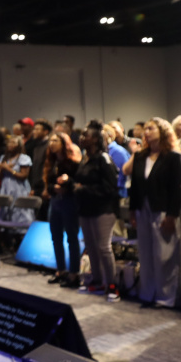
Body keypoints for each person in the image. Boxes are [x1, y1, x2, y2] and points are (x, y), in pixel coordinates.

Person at [126, 117, 181, 306]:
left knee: (164, 255)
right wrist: (132, 211)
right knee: (145, 253)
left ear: (163, 132)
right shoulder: (140, 156)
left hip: (164, 210)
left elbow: (176, 190)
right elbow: (135, 186)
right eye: (146, 129)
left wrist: (172, 216)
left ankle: (166, 297)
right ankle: (147, 293)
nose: (146, 132)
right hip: (142, 209)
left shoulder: (173, 157)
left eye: (151, 128)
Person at [72, 126, 120, 300]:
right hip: (86, 208)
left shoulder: (104, 158)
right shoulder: (85, 159)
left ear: (95, 139)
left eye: (86, 135)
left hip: (103, 209)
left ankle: (112, 286)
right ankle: (98, 281)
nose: (81, 137)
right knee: (91, 246)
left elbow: (110, 188)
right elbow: (79, 181)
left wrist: (83, 189)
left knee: (103, 248)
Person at [43, 130, 83, 286]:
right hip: (55, 202)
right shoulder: (51, 162)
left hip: (70, 202)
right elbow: (48, 184)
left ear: (64, 143)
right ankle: (61, 270)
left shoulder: (73, 162)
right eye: (51, 141)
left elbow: (79, 182)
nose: (52, 144)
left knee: (72, 238)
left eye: (55, 141)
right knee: (56, 238)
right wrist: (53, 188)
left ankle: (74, 273)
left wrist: (67, 184)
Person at [0, 134, 34, 225]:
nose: (10, 144)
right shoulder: (4, 158)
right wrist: (2, 168)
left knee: (19, 209)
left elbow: (24, 175)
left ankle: (21, 230)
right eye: (9, 142)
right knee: (5, 209)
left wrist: (9, 169)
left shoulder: (23, 158)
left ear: (19, 145)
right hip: (5, 187)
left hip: (18, 187)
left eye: (13, 142)